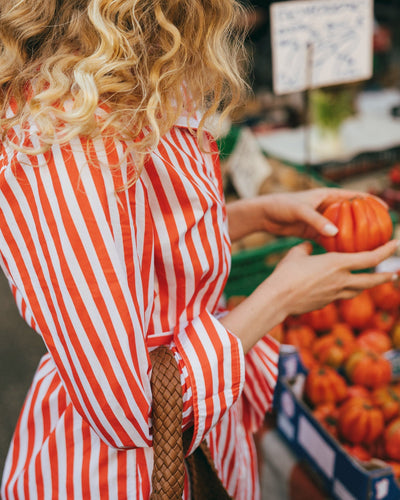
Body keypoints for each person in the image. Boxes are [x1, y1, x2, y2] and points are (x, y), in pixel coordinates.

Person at [0, 1, 398, 499]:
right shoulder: (62, 135)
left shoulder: (111, 83)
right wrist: (279, 298)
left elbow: (128, 246)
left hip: (198, 442)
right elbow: (130, 408)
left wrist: (251, 216)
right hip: (118, 475)